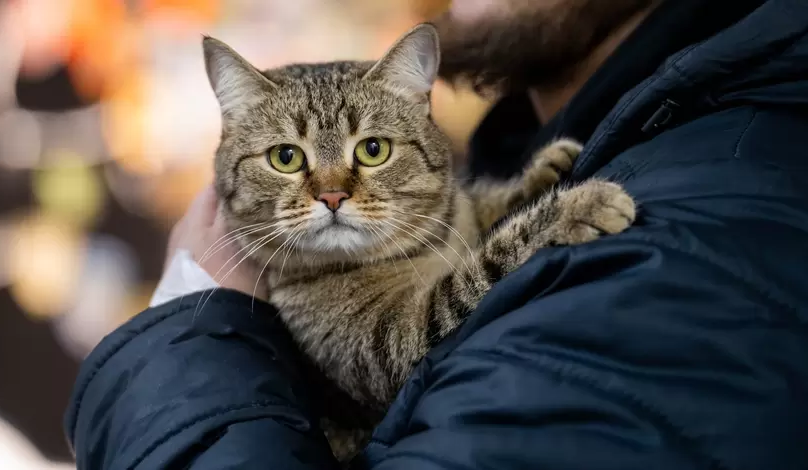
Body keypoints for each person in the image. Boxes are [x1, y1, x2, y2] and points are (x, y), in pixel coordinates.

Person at [65, 0, 808, 468]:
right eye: (286, 159)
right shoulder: (289, 289)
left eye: (372, 151)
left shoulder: (719, 226)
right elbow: (414, 336)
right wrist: (519, 210)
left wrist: (190, 319)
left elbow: (423, 329)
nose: (329, 190)